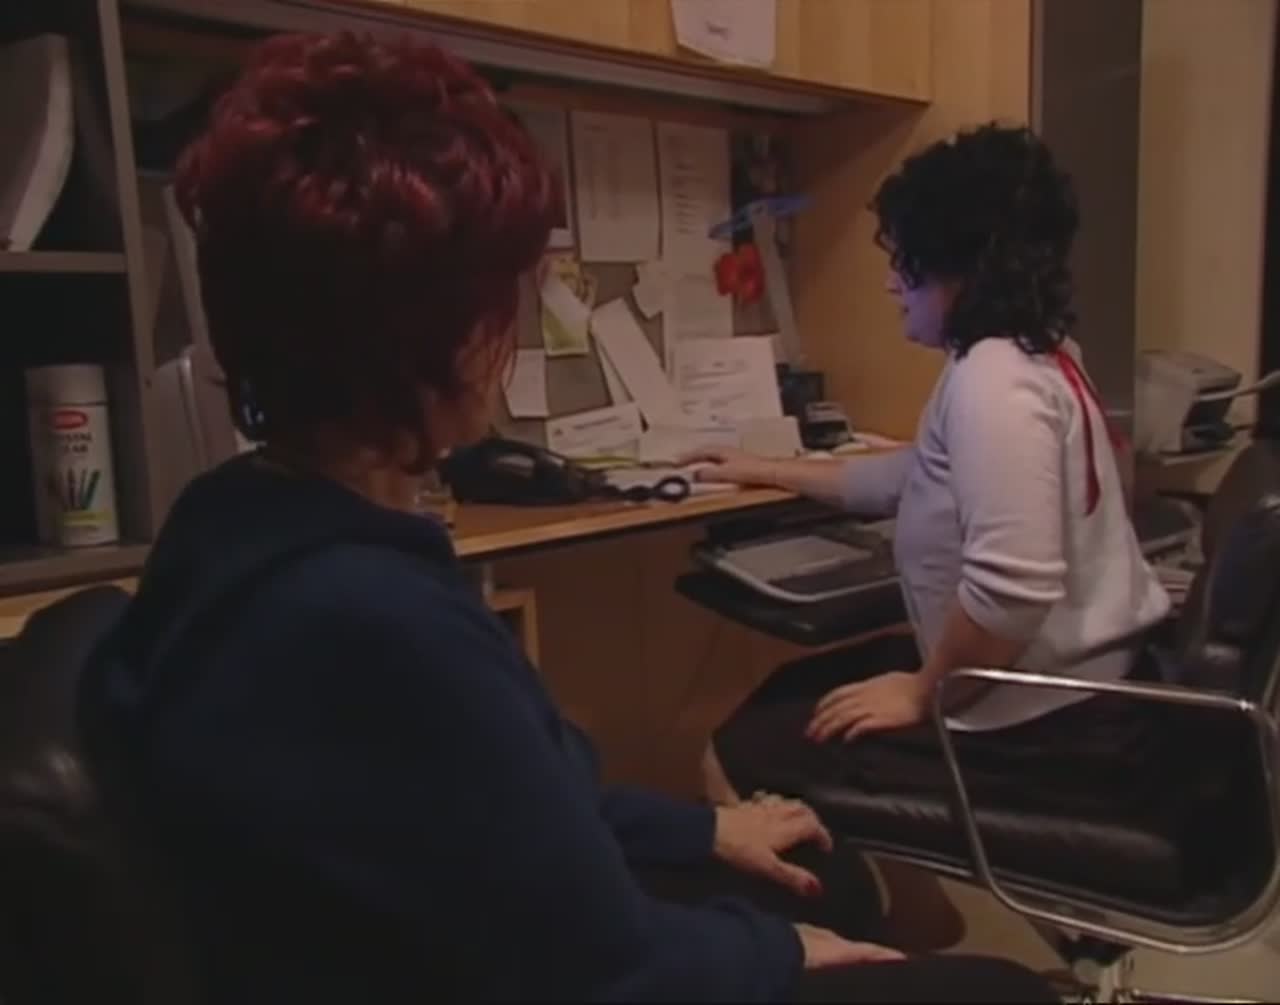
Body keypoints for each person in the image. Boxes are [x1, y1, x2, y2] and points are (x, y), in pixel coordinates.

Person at [76, 34, 1054, 1003]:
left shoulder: (228, 520)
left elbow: (500, 811)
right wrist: (780, 953)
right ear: (438, 336)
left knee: (814, 873)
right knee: (997, 992)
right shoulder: (373, 619)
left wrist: (700, 830)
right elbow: (603, 966)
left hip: (434, 941)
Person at [695, 124, 1173, 821]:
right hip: (1080, 694)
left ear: (965, 267)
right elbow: (911, 477)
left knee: (735, 752)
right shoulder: (1040, 355)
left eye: (908, 261)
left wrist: (921, 691)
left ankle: (831, 893)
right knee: (792, 691)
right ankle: (890, 888)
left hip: (1039, 727)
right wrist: (765, 468)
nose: (893, 281)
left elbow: (1011, 595)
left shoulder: (993, 381)